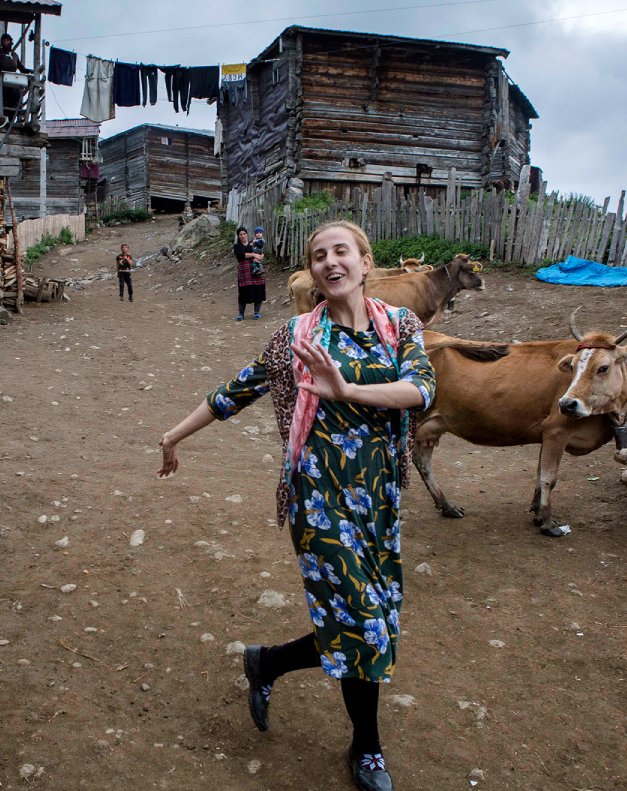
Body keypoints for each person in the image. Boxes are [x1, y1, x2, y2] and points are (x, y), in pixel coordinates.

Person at [158, 221, 435, 791]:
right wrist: (172, 437)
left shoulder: (402, 325)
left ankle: (268, 663)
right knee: (365, 629)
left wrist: (348, 389)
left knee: (370, 621)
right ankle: (368, 749)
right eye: (318, 256)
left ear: (364, 260)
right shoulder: (296, 337)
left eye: (341, 252)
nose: (330, 262)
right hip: (318, 501)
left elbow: (421, 389)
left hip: (379, 499)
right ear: (311, 272)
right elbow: (236, 390)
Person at [233, 226, 265, 321]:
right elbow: (241, 255)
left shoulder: (253, 243)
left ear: (246, 234)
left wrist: (260, 256)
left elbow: (261, 252)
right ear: (238, 236)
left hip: (255, 267)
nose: (243, 236)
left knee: (258, 288)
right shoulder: (237, 246)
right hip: (244, 270)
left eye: (244, 234)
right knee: (243, 291)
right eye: (240, 234)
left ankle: (257, 312)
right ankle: (241, 313)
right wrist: (254, 255)